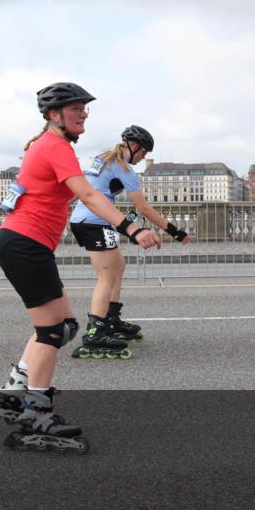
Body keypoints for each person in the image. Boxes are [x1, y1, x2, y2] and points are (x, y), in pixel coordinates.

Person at [0, 83, 160, 453]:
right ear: (54, 115)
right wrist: (132, 229)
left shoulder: (47, 144)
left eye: (84, 108)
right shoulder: (55, 146)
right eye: (76, 109)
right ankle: (37, 413)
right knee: (52, 331)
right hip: (24, 243)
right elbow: (88, 194)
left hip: (24, 243)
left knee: (64, 327)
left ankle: (14, 391)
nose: (84, 114)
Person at [68, 125, 191, 357]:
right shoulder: (125, 170)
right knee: (106, 276)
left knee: (118, 266)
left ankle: (111, 319)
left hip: (91, 220)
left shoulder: (103, 159)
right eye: (143, 153)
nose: (143, 157)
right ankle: (95, 333)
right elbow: (144, 208)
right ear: (134, 147)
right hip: (92, 222)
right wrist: (176, 232)